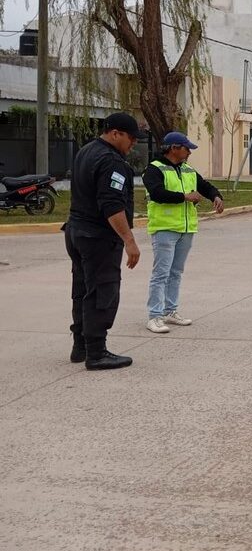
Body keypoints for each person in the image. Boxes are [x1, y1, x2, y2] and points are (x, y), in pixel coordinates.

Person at [63, 112, 145, 370]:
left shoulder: (86, 151)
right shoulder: (111, 161)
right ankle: (97, 352)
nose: (133, 144)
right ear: (115, 133)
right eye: (131, 138)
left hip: (76, 231)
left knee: (83, 290)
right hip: (98, 237)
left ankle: (81, 346)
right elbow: (111, 205)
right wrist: (129, 241)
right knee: (102, 292)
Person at [144, 132, 224, 334]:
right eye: (186, 148)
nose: (189, 152)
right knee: (161, 274)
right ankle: (155, 316)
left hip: (186, 229)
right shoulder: (154, 169)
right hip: (165, 229)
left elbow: (204, 186)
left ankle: (170, 310)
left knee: (176, 273)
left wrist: (216, 196)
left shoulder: (187, 169)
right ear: (174, 148)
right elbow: (157, 193)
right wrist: (185, 197)